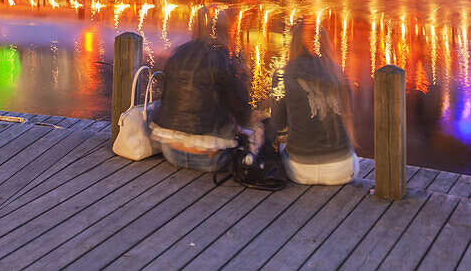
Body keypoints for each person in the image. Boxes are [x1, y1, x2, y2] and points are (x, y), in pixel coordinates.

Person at [271, 19, 357, 184]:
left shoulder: (283, 75)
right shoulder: (339, 74)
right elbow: (348, 112)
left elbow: (277, 123)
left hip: (300, 170)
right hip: (341, 170)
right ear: (325, 44)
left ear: (294, 44)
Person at [150, 38, 250, 172]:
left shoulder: (177, 56)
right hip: (211, 160)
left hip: (172, 153)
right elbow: (241, 111)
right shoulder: (221, 61)